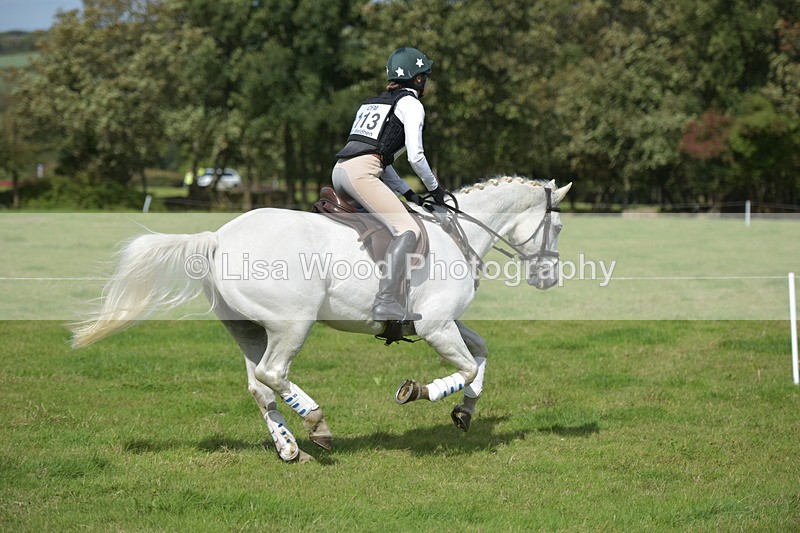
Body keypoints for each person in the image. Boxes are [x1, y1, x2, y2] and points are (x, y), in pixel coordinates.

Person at [332, 46, 446, 323]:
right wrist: (434, 189)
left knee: (388, 223)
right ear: (418, 79)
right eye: (425, 76)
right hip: (362, 175)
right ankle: (385, 301)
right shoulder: (412, 105)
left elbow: (381, 158)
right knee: (408, 228)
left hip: (340, 171)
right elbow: (416, 156)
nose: (427, 81)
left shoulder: (374, 102)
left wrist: (408, 193)